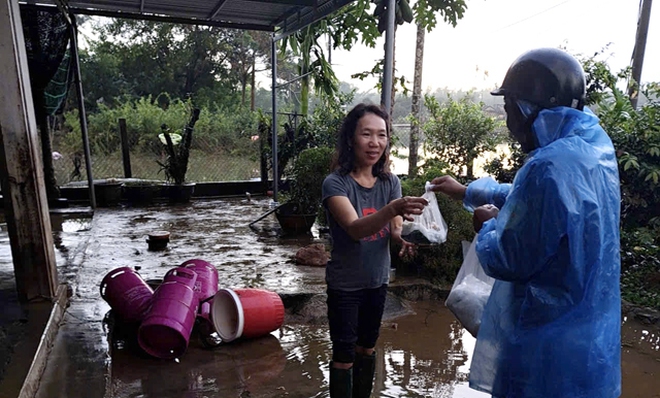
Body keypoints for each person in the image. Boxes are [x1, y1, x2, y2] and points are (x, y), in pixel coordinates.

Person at [431, 48, 621, 397]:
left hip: (546, 354)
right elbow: (539, 202)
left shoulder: (546, 166)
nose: (507, 123)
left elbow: (510, 258)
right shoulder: (593, 149)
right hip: (591, 348)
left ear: (528, 109)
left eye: (508, 110)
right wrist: (468, 191)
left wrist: (486, 227)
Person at [322, 103, 428, 398]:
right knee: (344, 357)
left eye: (381, 135)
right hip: (345, 285)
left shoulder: (390, 182)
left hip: (377, 282)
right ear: (351, 138)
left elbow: (393, 228)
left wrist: (404, 237)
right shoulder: (335, 183)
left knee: (367, 348)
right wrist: (393, 207)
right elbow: (355, 228)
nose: (374, 143)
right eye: (366, 134)